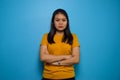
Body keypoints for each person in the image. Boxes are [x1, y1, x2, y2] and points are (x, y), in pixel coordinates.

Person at [40, 8, 80, 80]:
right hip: (48, 76)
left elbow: (76, 59)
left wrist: (55, 62)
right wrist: (65, 56)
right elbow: (43, 57)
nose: (60, 23)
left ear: (67, 22)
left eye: (64, 20)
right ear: (53, 22)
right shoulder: (46, 36)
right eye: (57, 20)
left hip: (68, 76)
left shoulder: (73, 37)